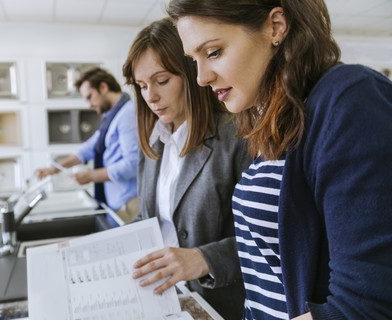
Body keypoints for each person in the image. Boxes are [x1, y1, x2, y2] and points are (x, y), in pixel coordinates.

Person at [167, 0, 392, 319]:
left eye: (214, 52)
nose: (201, 77)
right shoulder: (275, 121)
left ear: (276, 27)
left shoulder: (350, 99)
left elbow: (364, 305)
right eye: (194, 60)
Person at [122, 18, 252, 320]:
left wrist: (203, 259)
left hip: (222, 304)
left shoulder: (235, 137)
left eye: (162, 81)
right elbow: (150, 217)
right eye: (142, 86)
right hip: (166, 297)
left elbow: (269, 238)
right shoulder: (155, 142)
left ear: (192, 71)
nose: (150, 96)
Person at [36, 67, 140, 223]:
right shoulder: (112, 117)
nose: (90, 104)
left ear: (103, 87)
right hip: (118, 205)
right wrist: (55, 169)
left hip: (129, 205)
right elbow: (88, 148)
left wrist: (91, 176)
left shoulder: (127, 114)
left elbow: (133, 164)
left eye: (90, 97)